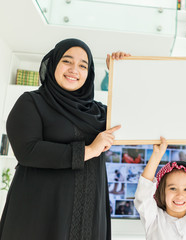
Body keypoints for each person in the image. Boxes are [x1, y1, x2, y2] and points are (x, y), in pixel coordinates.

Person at [0, 38, 121, 240]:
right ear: (54, 63)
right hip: (41, 215)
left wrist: (119, 73)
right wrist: (90, 150)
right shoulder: (32, 102)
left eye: (83, 65)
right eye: (67, 61)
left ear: (89, 73)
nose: (75, 69)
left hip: (88, 216)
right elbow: (27, 151)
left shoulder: (98, 112)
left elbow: (134, 117)